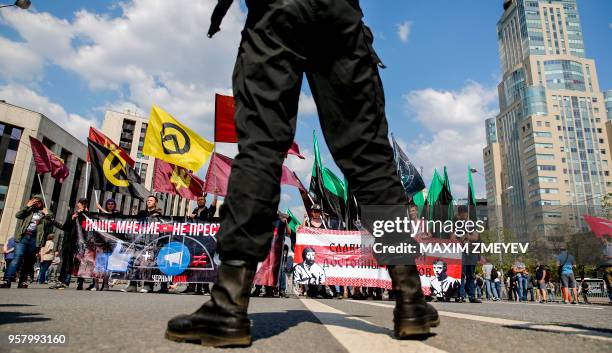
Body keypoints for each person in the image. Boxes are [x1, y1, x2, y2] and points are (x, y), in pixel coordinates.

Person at [165, 0, 439, 346]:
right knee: (370, 159)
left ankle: (228, 305)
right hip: (339, 15)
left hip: (277, 12)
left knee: (261, 147)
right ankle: (410, 299)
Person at [1, 195, 54, 288]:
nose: (36, 203)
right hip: (23, 237)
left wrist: (47, 214)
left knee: (28, 261)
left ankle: (22, 281)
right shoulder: (28, 210)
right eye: (34, 201)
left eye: (38, 201)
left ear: (41, 202)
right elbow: (18, 215)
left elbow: (50, 222)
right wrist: (27, 206)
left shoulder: (45, 211)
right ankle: (7, 280)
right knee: (17, 258)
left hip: (35, 239)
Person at [123, 195, 164, 293]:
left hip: (151, 242)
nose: (149, 202)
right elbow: (134, 224)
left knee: (148, 264)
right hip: (140, 242)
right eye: (148, 200)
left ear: (155, 202)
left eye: (151, 200)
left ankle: (148, 285)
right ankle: (132, 285)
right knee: (135, 262)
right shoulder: (141, 213)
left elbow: (162, 228)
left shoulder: (159, 215)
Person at [49, 198, 88, 290]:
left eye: (84, 203)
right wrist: (72, 218)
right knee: (66, 262)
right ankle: (62, 281)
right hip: (70, 242)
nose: (82, 205)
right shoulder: (73, 214)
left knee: (80, 262)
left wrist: (85, 214)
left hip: (80, 243)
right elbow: (65, 227)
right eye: (81, 203)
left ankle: (80, 282)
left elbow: (88, 228)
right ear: (78, 204)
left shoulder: (87, 215)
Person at [598, 234, 612, 304]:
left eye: (601, 239)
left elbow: (609, 256)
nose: (600, 240)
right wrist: (602, 257)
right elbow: (601, 258)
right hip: (606, 267)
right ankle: (611, 299)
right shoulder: (601, 248)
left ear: (605, 238)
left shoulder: (611, 245)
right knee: (609, 284)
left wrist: (609, 257)